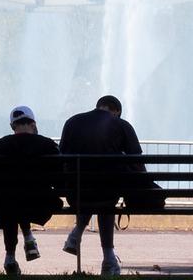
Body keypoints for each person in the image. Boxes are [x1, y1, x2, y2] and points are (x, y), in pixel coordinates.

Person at [58, 94, 142, 276]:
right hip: (107, 194)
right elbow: (137, 161)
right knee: (104, 196)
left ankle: (76, 234)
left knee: (90, 187)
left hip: (76, 192)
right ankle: (109, 258)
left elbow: (61, 156)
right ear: (117, 111)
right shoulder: (121, 125)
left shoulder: (72, 122)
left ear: (98, 106)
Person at [0, 105, 60, 275]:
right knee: (21, 199)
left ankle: (10, 256)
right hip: (40, 204)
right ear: (33, 124)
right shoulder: (47, 144)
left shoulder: (1, 145)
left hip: (6, 205)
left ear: (12, 126)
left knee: (11, 201)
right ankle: (28, 237)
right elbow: (61, 176)